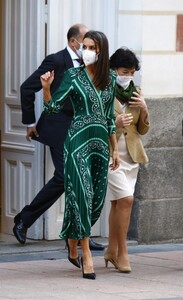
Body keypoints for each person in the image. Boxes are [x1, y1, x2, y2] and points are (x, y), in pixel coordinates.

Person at [13, 24, 105, 251]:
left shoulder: (91, 65)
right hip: (59, 129)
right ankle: (25, 220)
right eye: (84, 42)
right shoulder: (55, 60)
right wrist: (30, 123)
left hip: (83, 132)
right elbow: (26, 88)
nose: (88, 47)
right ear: (74, 42)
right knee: (66, 178)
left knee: (82, 181)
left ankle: (78, 236)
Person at [41, 30, 120, 279]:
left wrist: (115, 148)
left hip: (100, 146)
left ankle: (72, 239)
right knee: (83, 196)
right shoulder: (73, 76)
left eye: (91, 47)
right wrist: (46, 88)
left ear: (101, 51)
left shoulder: (112, 78)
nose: (85, 51)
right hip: (76, 144)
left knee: (95, 202)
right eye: (83, 46)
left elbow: (109, 118)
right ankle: (86, 253)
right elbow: (53, 108)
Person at [104, 47, 150, 273]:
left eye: (132, 72)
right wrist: (116, 124)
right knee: (127, 199)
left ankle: (111, 250)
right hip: (109, 156)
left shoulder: (136, 91)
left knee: (118, 203)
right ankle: (122, 252)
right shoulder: (102, 90)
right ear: (113, 69)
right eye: (125, 71)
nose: (128, 77)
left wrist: (144, 110)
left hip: (131, 156)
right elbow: (95, 124)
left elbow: (142, 130)